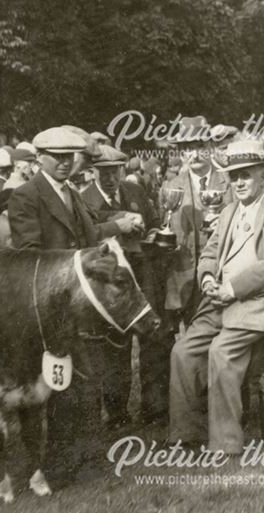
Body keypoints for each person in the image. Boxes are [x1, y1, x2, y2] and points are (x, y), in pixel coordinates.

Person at [7, 127, 135, 487]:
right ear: (39, 159)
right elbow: (29, 257)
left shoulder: (72, 194)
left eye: (70, 156)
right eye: (57, 157)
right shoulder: (26, 196)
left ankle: (80, 456)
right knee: (57, 385)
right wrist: (75, 268)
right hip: (46, 307)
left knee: (83, 381)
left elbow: (90, 236)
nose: (65, 163)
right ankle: (53, 467)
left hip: (79, 305)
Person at [169, 140, 264, 454]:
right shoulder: (229, 210)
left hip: (262, 303)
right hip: (220, 302)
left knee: (221, 353)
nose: (239, 182)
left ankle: (226, 444)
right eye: (233, 176)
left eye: (246, 174)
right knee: (182, 352)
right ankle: (185, 436)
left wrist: (232, 288)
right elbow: (212, 252)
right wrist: (205, 278)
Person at [81, 145, 166, 425]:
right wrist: (120, 226)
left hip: (143, 274)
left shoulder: (136, 192)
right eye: (102, 172)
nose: (109, 178)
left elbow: (155, 222)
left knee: (152, 339)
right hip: (110, 281)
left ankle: (154, 408)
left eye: (113, 171)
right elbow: (87, 242)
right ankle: (117, 414)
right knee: (115, 344)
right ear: (92, 172)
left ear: (121, 170)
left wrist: (151, 233)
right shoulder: (84, 200)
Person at [160, 116, 232, 325]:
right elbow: (166, 230)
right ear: (182, 154)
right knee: (191, 343)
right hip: (185, 280)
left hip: (223, 277)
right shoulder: (170, 186)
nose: (194, 154)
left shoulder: (229, 181)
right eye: (188, 148)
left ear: (210, 147)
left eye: (200, 146)